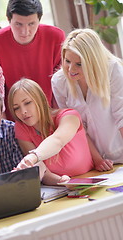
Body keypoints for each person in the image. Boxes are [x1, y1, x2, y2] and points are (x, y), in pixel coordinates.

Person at [52, 28, 123, 171]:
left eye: (79, 64)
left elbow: (121, 116)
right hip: (92, 161)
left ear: (92, 62)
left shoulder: (112, 69)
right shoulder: (59, 82)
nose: (71, 69)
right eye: (67, 61)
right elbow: (75, 127)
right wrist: (97, 160)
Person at [0, 0, 65, 120]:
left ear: (39, 20)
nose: (25, 32)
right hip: (13, 121)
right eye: (18, 24)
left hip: (50, 115)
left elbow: (61, 85)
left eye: (31, 24)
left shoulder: (56, 37)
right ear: (9, 20)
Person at [8, 78, 93, 182]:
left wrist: (33, 156)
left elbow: (58, 140)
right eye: (16, 108)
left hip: (91, 177)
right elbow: (42, 171)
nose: (23, 111)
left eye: (27, 103)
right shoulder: (21, 127)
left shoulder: (69, 116)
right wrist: (61, 181)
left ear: (40, 99)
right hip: (59, 188)